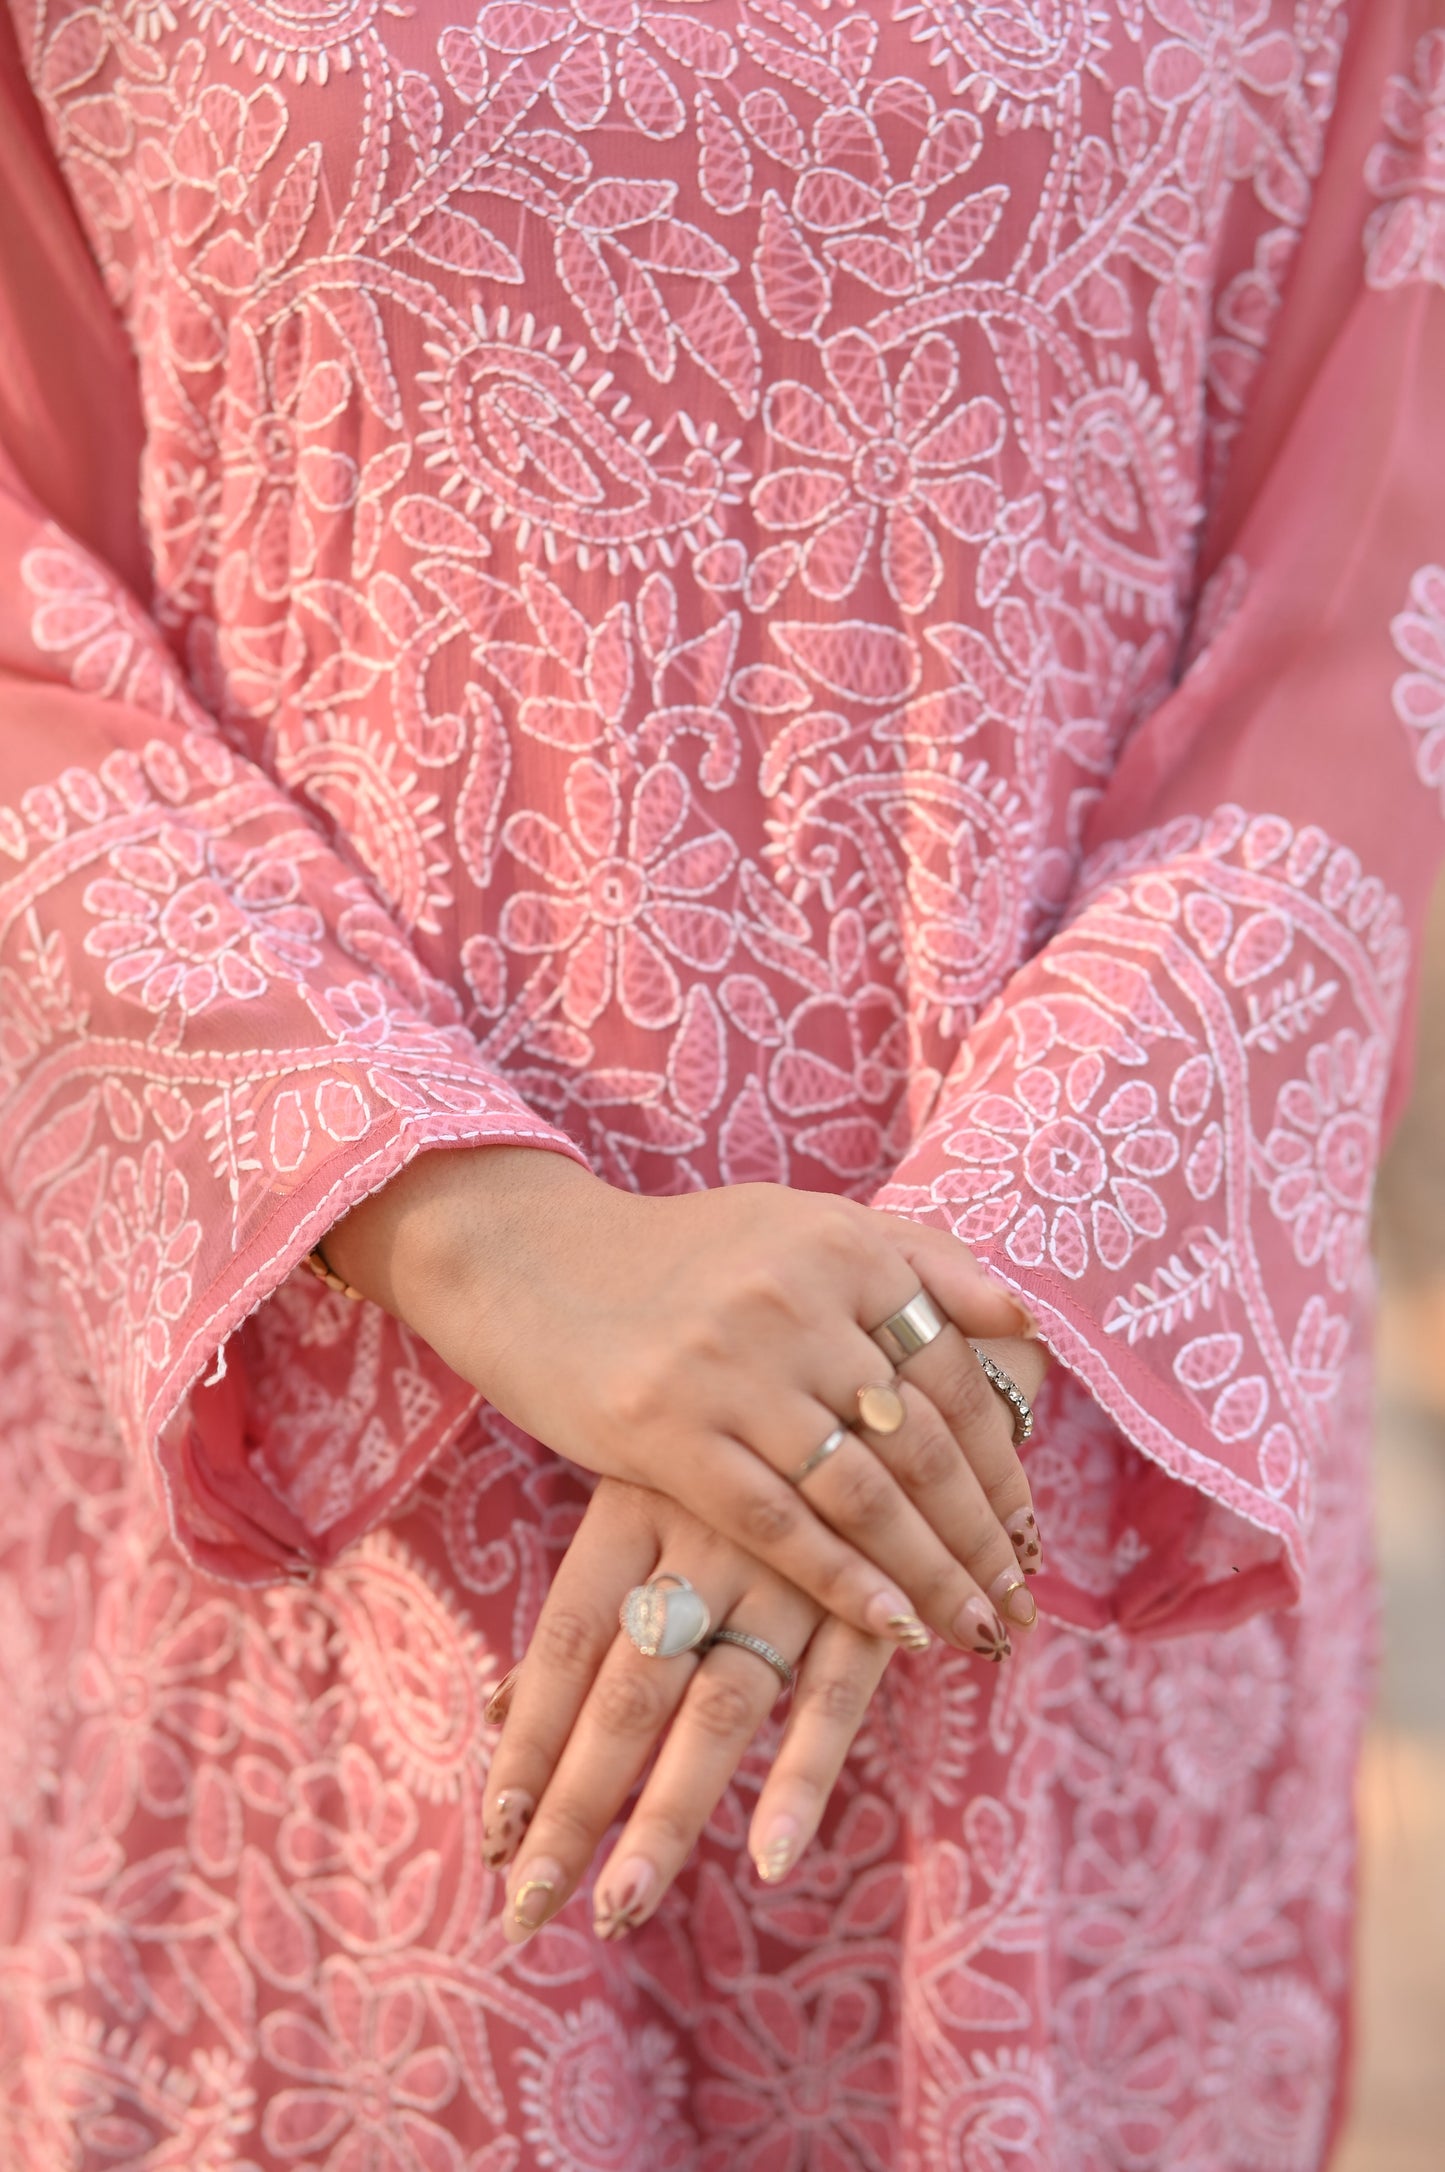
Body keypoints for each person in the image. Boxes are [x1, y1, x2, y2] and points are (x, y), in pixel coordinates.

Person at [0, 0, 1441, 2163]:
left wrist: (925, 1337)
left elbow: (1374, 604)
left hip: (1022, 1476)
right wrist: (482, 1239)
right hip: (345, 1461)